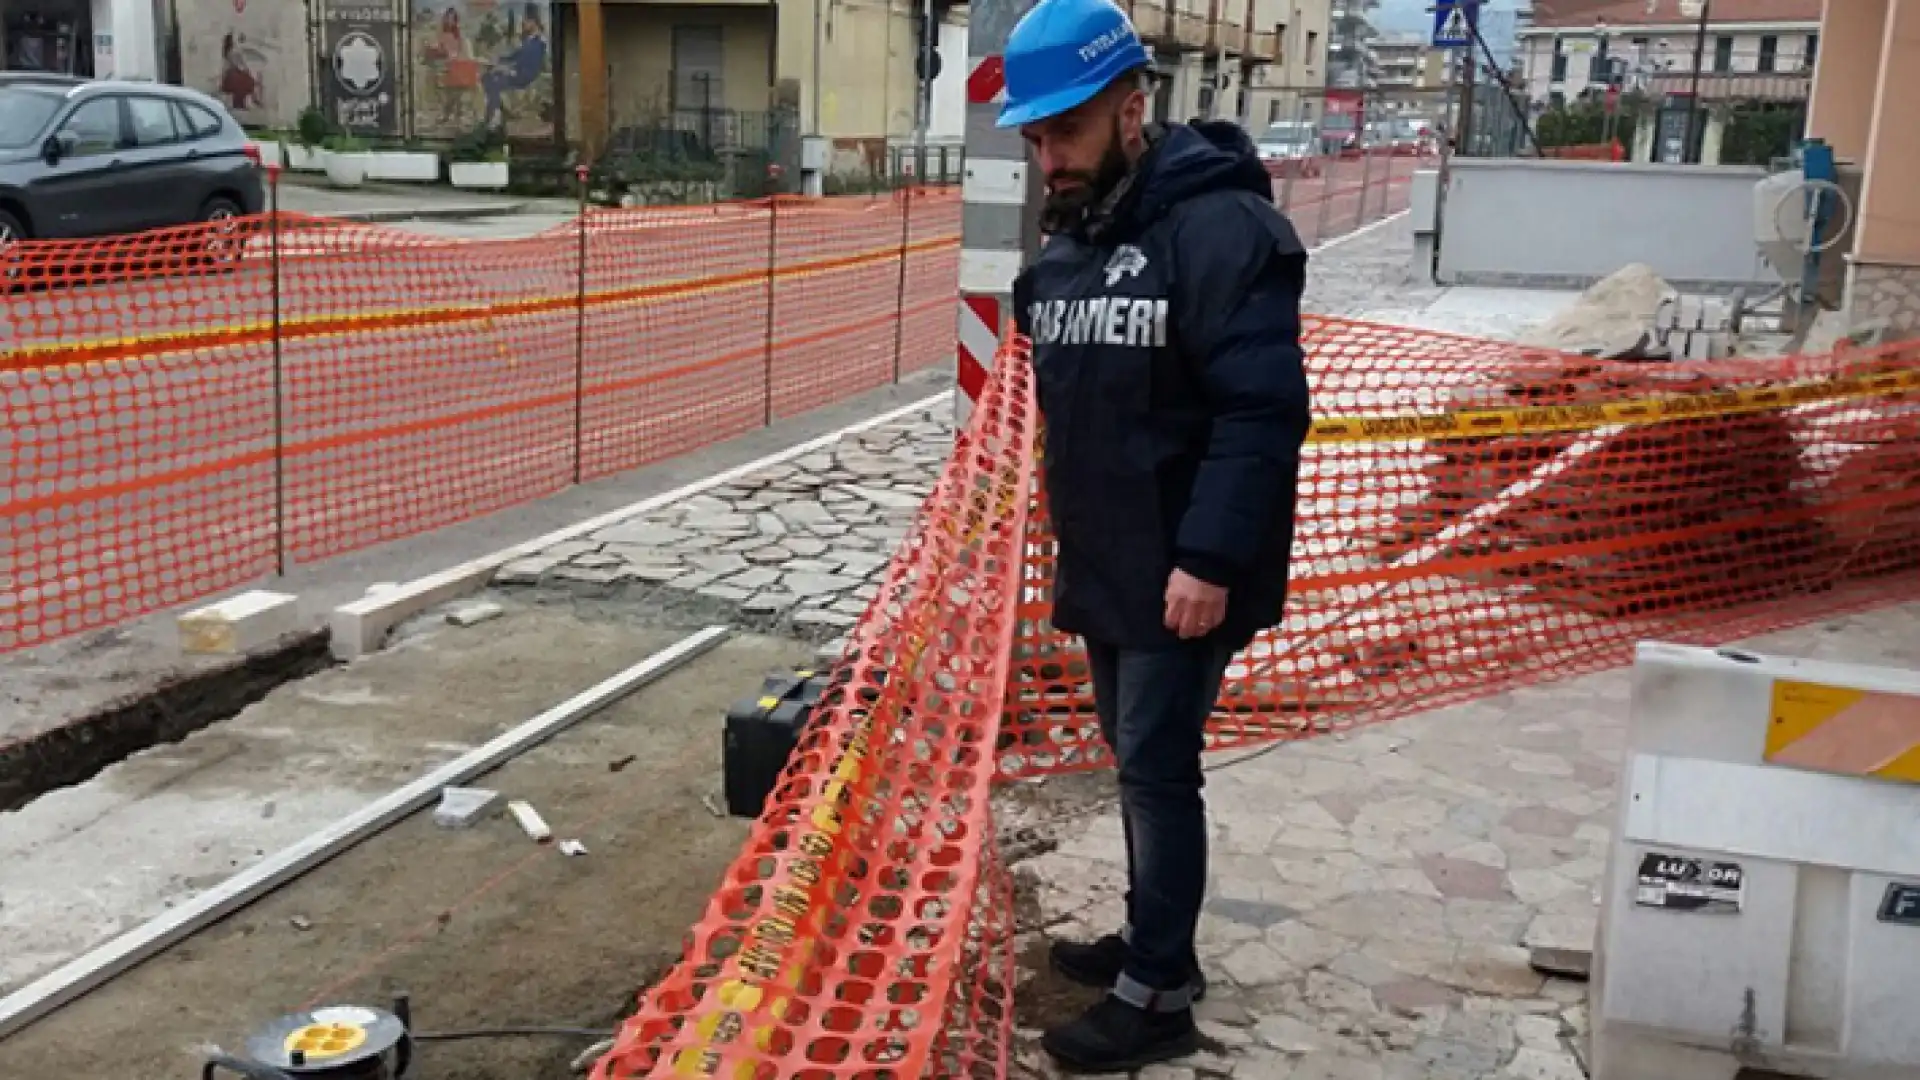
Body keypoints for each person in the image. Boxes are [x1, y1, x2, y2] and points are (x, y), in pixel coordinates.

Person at [1000, 0, 1311, 1071]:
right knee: (1135, 761)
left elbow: (1261, 411)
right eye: (1037, 141)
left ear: (1133, 108)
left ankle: (1156, 998)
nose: (1051, 159)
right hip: (1108, 561)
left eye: (1066, 134)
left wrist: (1211, 560)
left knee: (1155, 769)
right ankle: (1153, 947)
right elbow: (1070, 358)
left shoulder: (1223, 231)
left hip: (1183, 570)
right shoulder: (1080, 234)